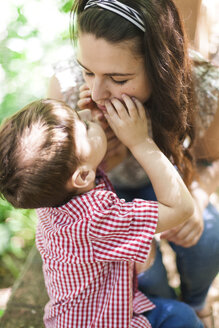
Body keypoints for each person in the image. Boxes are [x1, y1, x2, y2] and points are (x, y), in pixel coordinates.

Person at [47, 1, 219, 326]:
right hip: (110, 198)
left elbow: (213, 160)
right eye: (87, 70)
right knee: (141, 269)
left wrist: (198, 197)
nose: (97, 93)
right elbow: (64, 195)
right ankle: (167, 313)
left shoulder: (202, 86)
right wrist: (103, 159)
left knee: (208, 236)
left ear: (160, 66)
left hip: (175, 182)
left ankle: (196, 304)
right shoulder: (69, 90)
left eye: (118, 78)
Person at [0, 97, 202, 327]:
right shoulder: (95, 219)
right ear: (83, 176)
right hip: (107, 321)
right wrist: (140, 141)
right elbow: (182, 208)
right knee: (184, 318)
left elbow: (85, 157)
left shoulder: (51, 193)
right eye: (84, 126)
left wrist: (90, 117)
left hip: (74, 317)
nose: (86, 117)